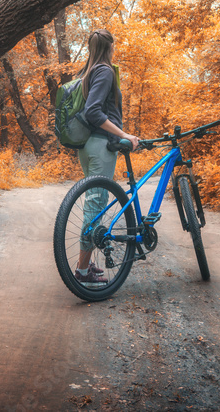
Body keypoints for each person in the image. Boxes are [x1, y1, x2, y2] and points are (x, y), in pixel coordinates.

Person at [75, 29, 139, 284]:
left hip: (88, 146)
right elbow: (93, 112)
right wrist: (124, 134)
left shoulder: (88, 72)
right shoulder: (105, 71)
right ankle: (81, 272)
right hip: (100, 146)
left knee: (94, 204)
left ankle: (85, 263)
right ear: (110, 46)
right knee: (95, 207)